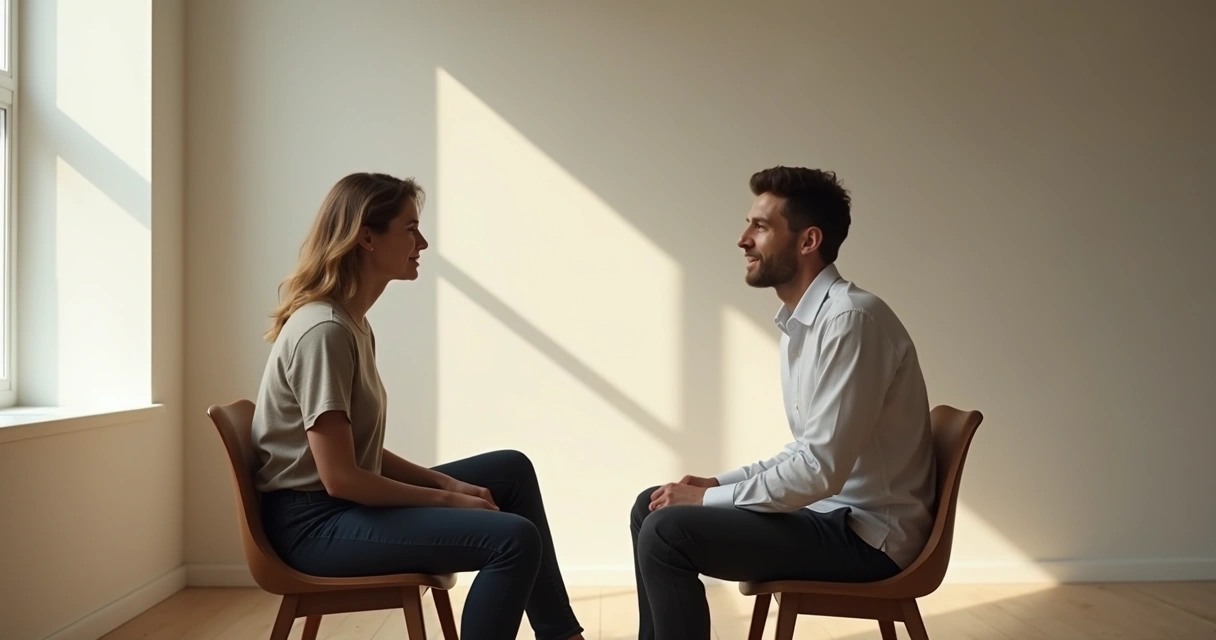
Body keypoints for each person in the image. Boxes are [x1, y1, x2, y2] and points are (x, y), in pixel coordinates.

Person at [250, 172, 585, 640]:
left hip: (334, 510)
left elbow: (357, 453)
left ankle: (563, 636)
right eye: (410, 228)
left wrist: (447, 482)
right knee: (513, 539)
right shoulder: (323, 331)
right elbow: (341, 477)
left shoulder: (351, 324)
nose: (422, 242)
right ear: (367, 236)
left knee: (510, 470)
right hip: (313, 528)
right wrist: (448, 499)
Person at [629, 166, 937, 639]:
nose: (743, 240)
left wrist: (708, 498)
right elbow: (807, 452)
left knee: (670, 532)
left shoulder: (851, 320)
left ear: (808, 240)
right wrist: (717, 483)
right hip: (831, 516)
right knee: (649, 508)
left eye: (761, 226)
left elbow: (819, 469)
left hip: (868, 538)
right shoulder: (805, 324)